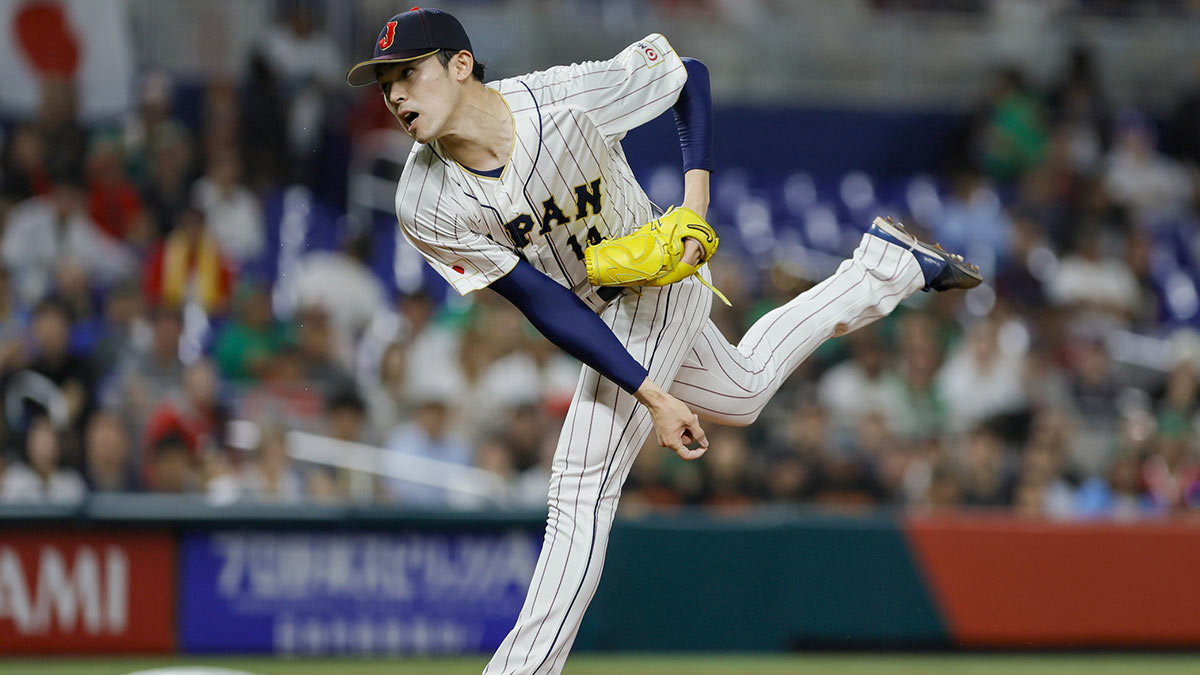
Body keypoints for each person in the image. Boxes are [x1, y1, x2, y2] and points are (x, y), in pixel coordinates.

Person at [346, 8, 981, 673]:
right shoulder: (423, 201)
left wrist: (693, 208)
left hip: (659, 281)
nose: (394, 95)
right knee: (744, 389)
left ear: (461, 65)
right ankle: (887, 266)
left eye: (407, 74)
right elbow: (544, 303)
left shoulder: (563, 99)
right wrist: (650, 392)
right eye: (384, 83)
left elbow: (688, 77)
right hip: (592, 309)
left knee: (580, 484)